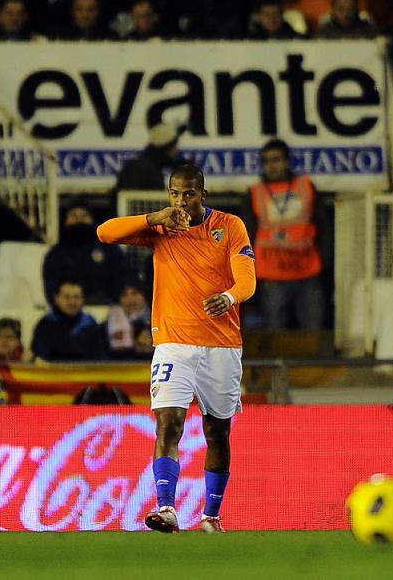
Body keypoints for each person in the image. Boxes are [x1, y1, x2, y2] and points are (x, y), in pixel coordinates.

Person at [97, 164, 257, 534]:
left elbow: (247, 278)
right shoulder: (160, 228)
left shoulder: (230, 226)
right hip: (172, 344)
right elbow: (105, 233)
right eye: (174, 193)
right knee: (169, 423)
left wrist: (230, 296)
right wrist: (154, 217)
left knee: (217, 432)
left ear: (204, 194)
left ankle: (211, 516)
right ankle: (165, 508)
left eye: (188, 193)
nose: (180, 201)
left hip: (222, 345)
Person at [242, 138, 325, 330]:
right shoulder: (254, 192)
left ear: (287, 161)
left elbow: (323, 225)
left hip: (307, 272)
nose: (271, 165)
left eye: (276, 159)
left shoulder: (306, 186)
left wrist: (323, 262)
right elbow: (246, 235)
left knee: (312, 333)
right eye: (267, 161)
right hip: (272, 276)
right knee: (275, 334)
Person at [42, 203, 126, 304]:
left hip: (106, 309)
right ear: (65, 220)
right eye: (74, 216)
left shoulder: (108, 248)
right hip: (69, 311)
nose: (79, 220)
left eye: (84, 216)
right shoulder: (56, 254)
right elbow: (52, 289)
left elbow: (121, 278)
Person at [31, 280, 107, 361]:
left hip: (85, 373)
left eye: (76, 297)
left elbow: (100, 360)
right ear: (56, 299)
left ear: (83, 300)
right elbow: (39, 359)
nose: (72, 302)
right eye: (66, 297)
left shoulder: (91, 325)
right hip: (54, 373)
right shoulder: (44, 326)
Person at [113, 122, 183, 199]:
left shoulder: (141, 166)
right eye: (174, 146)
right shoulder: (148, 171)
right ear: (165, 149)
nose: (177, 150)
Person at [105, 280, 153, 359]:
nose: (130, 299)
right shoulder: (114, 316)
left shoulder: (157, 316)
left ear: (144, 295)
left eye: (134, 293)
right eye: (125, 295)